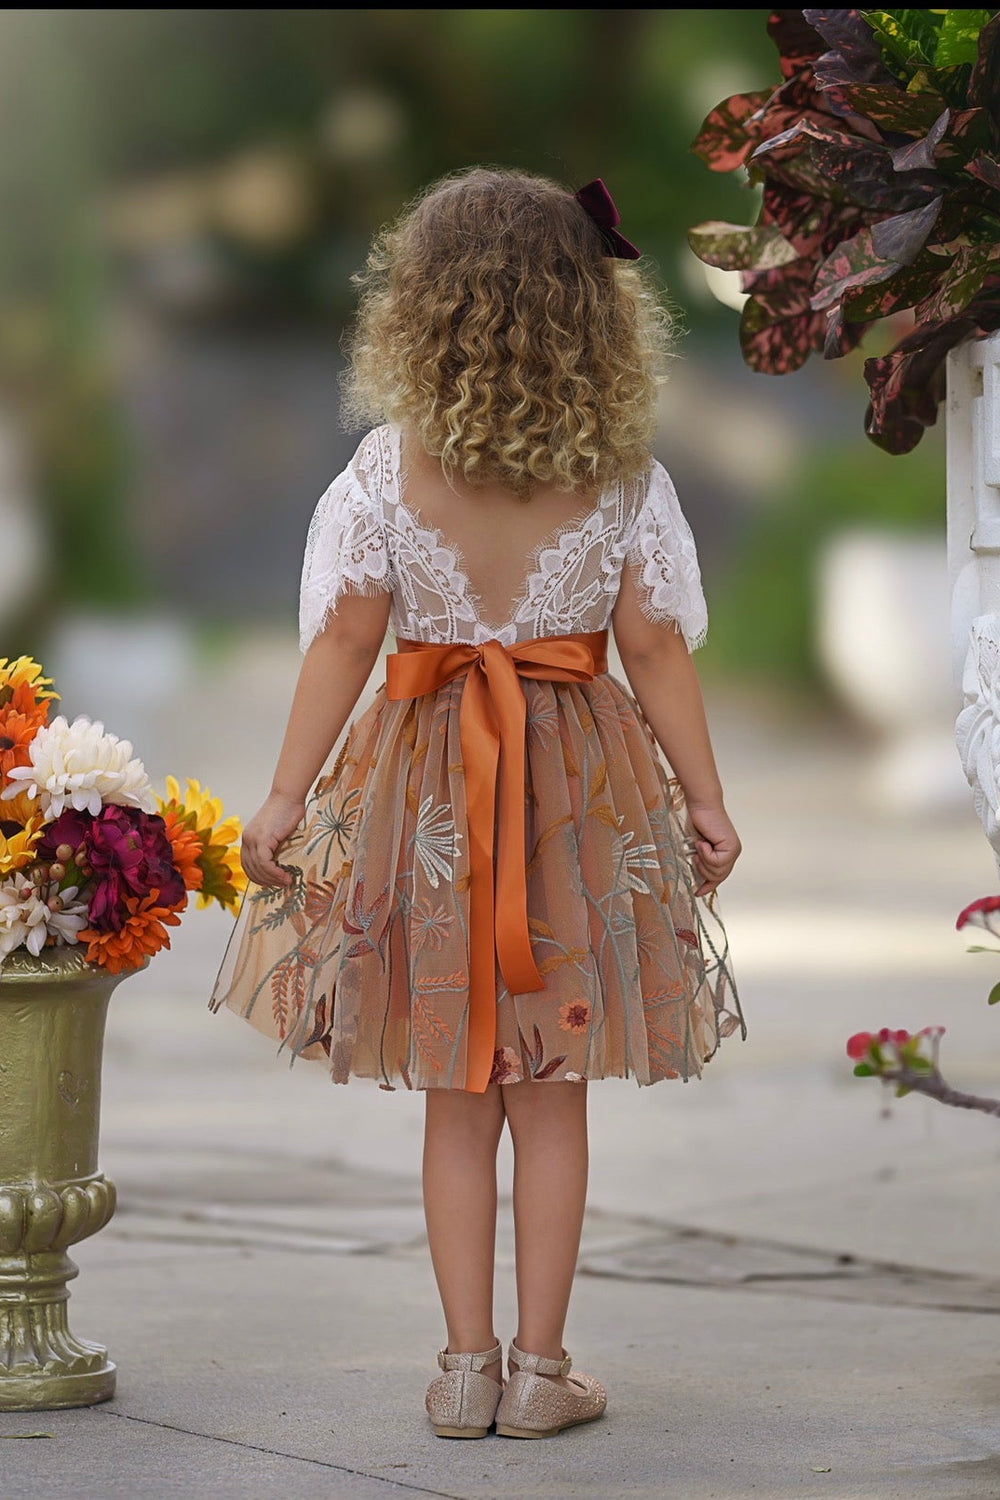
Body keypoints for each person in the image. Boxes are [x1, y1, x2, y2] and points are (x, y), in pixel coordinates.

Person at [208, 166, 746, 1441]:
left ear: (422, 310)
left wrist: (288, 792)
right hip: (577, 792)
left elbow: (344, 640)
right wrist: (704, 801)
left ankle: (461, 1368)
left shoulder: (387, 475)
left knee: (460, 1089)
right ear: (588, 313)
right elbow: (658, 648)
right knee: (549, 1087)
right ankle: (541, 1370)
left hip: (426, 793)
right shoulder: (619, 474)